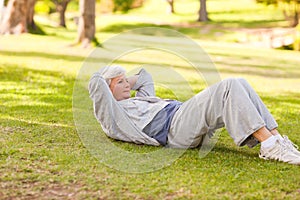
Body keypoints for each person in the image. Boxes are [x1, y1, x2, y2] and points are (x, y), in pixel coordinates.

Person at [88, 66, 300, 165]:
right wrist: (110, 83)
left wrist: (121, 80)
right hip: (174, 129)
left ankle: (276, 140)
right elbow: (96, 83)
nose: (127, 85)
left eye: (126, 81)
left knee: (239, 82)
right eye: (120, 83)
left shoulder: (139, 99)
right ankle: (270, 145)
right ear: (107, 92)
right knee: (227, 87)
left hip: (181, 116)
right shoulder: (115, 116)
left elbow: (144, 76)